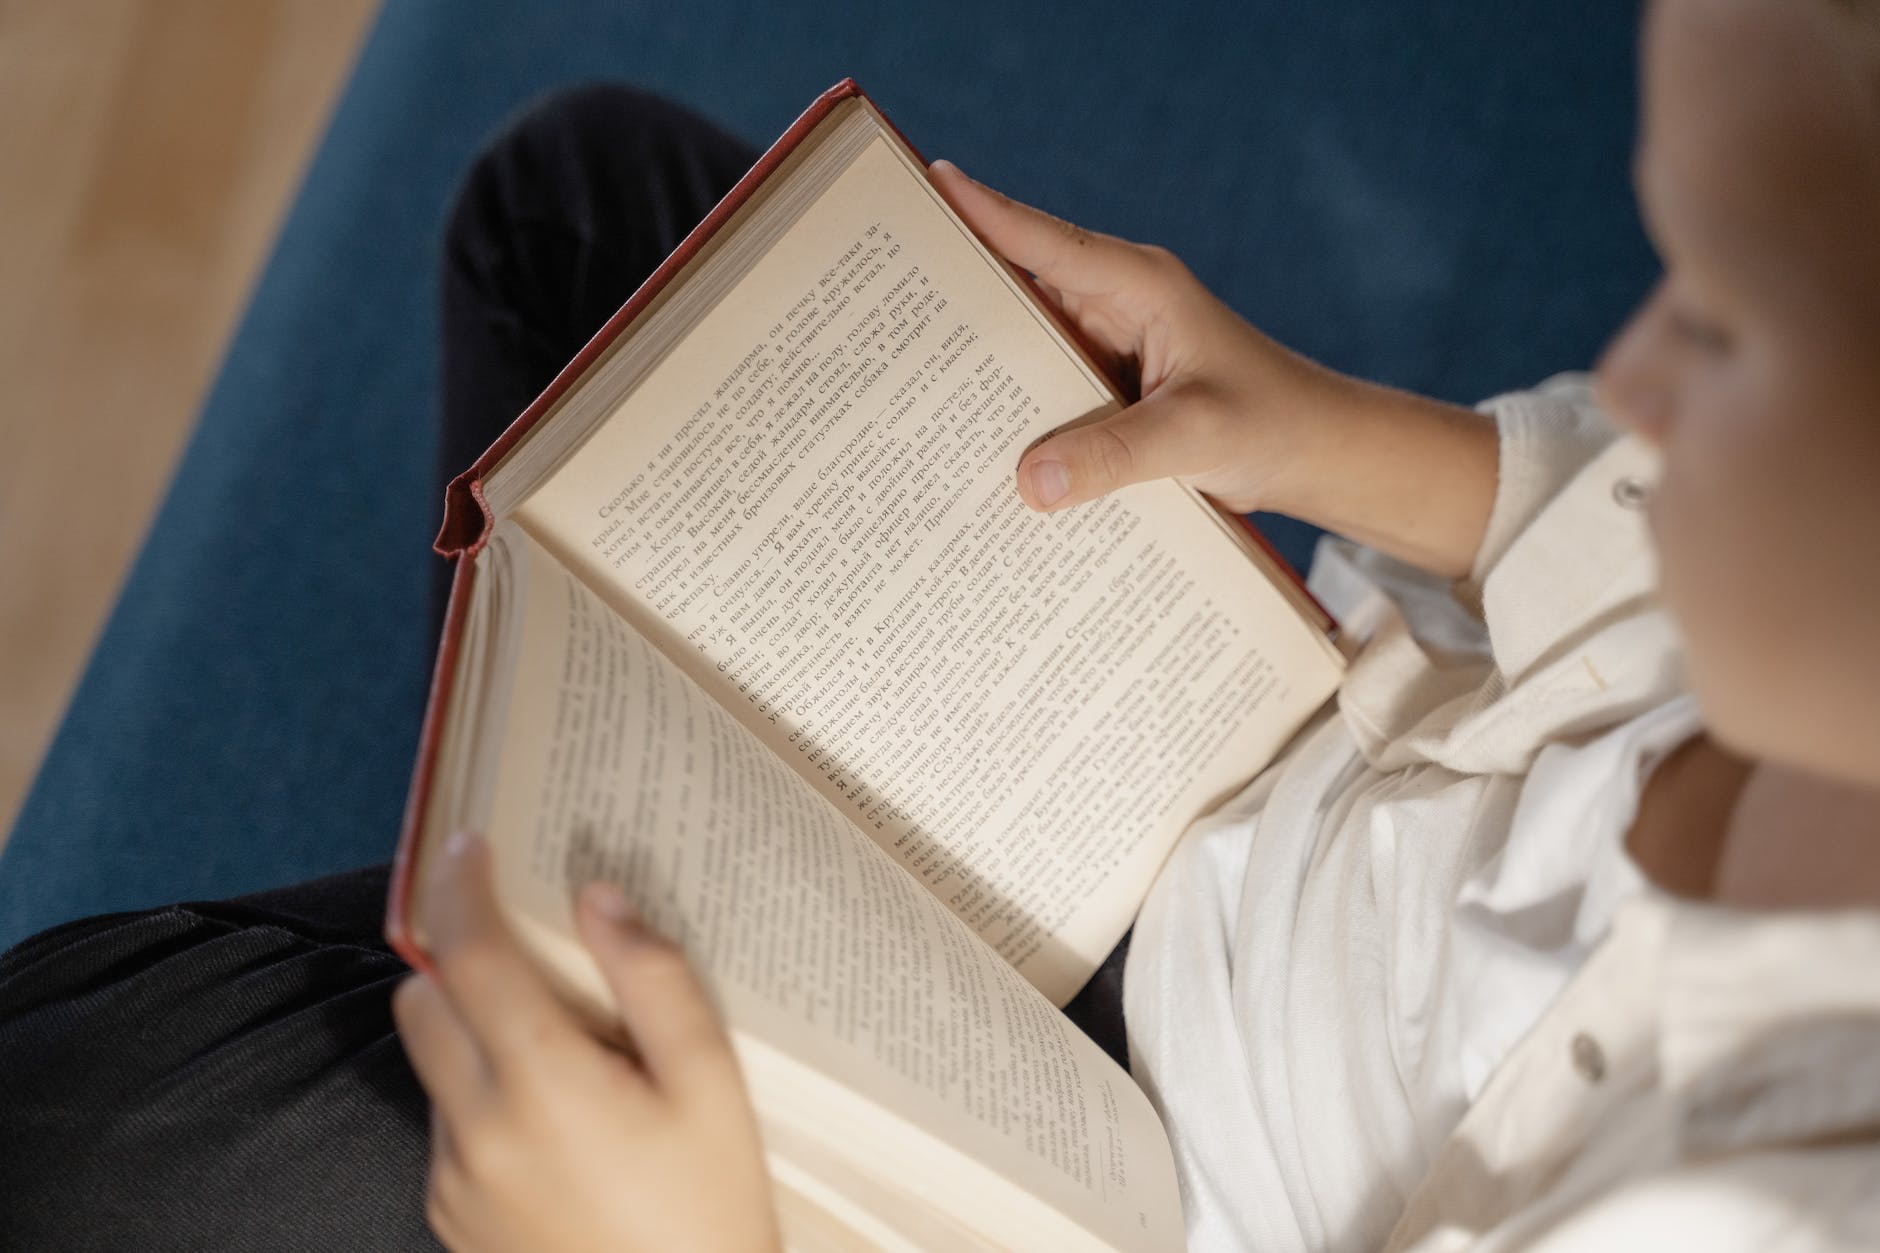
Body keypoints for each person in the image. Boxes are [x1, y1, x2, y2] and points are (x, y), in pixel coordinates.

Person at [3, 0, 1877, 1250]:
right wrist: (1325, 429)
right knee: (572, 203)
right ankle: (558, 915)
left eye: (1721, 322)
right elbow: (1607, 533)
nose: (1630, 368)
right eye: (1667, 273)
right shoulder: (1828, 657)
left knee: (73, 1123)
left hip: (1097, 1188)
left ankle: (557, 983)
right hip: (1192, 770)